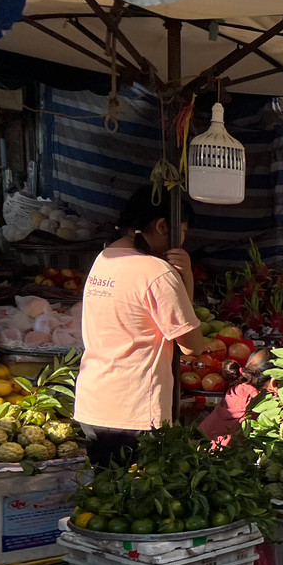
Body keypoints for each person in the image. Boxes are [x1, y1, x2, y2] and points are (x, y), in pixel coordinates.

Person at [75, 186, 207, 468]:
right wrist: (187, 280)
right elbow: (192, 345)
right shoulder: (156, 272)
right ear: (162, 225)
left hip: (93, 404)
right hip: (135, 411)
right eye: (182, 231)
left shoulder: (104, 258)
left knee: (105, 501)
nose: (183, 240)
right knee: (141, 502)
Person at [198, 349, 272, 447]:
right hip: (216, 457)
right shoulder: (257, 403)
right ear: (274, 383)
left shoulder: (239, 389)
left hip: (198, 448)